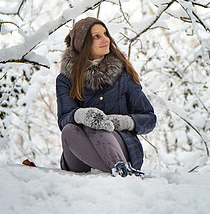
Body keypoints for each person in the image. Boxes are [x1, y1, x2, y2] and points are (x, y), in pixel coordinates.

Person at [56, 17, 156, 177]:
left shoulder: (123, 75)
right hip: (80, 154)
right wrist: (80, 115)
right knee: (69, 130)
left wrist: (125, 122)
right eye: (97, 36)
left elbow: (149, 119)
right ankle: (119, 171)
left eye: (105, 34)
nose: (106, 39)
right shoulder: (65, 79)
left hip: (121, 147)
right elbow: (63, 120)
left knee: (97, 126)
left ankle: (120, 167)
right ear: (83, 44)